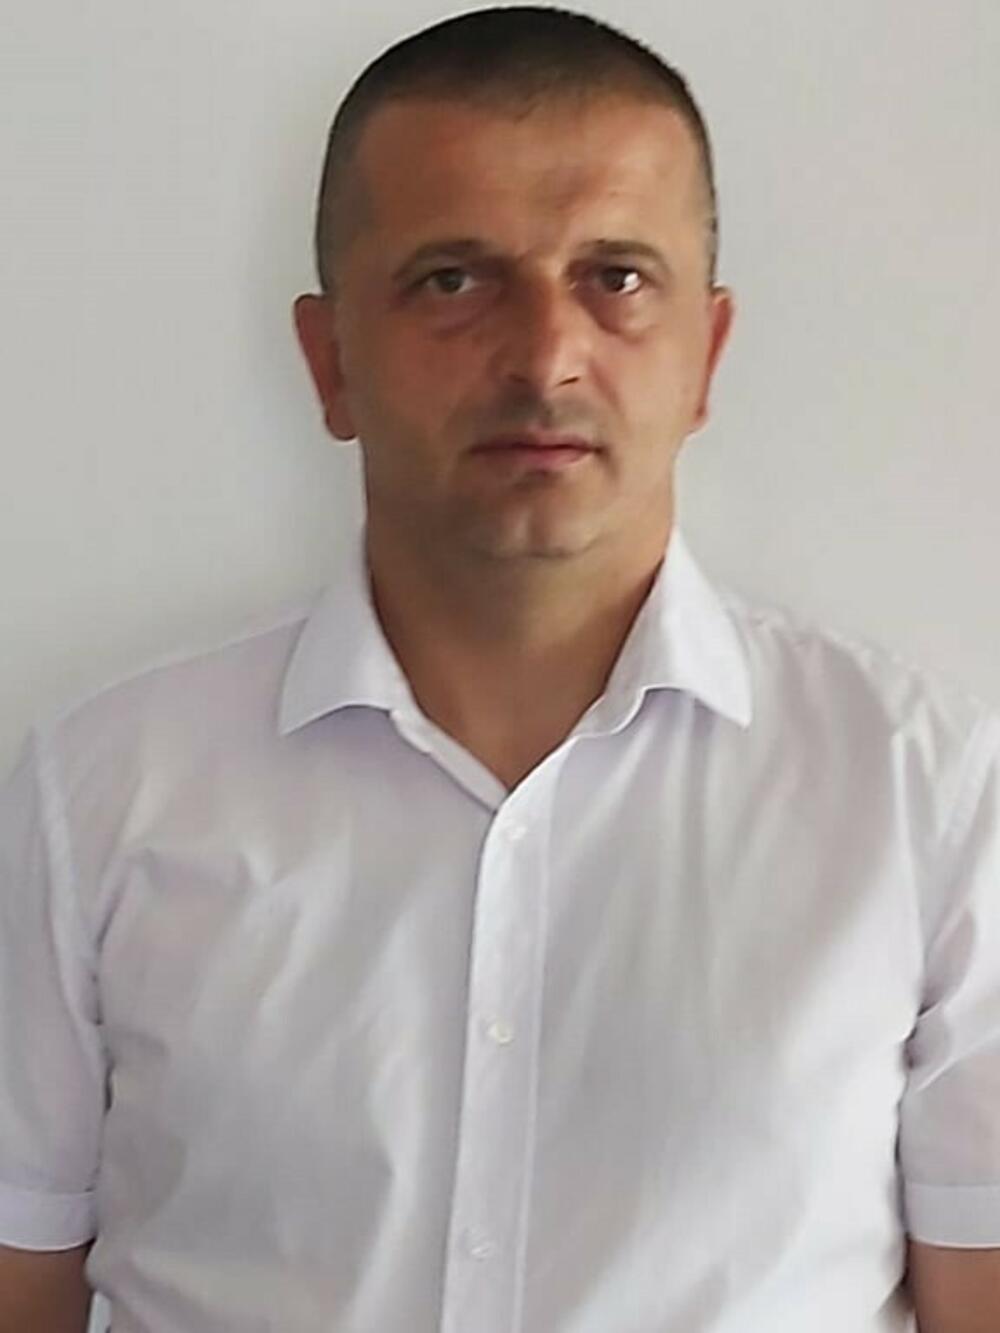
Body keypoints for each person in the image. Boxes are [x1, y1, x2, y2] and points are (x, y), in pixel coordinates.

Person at [1, 6, 998, 1330]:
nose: (544, 356)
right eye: (452, 281)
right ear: (330, 359)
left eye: (617, 278)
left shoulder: (926, 794)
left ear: (707, 354)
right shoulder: (98, 794)